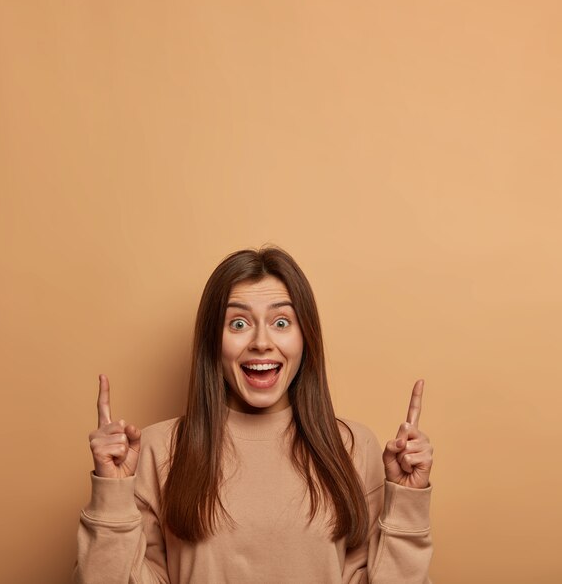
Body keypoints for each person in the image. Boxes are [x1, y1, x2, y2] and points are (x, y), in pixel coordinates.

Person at [73, 246, 434, 583]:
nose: (261, 341)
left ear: (305, 336)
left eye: (281, 322)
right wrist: (113, 496)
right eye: (239, 324)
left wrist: (405, 504)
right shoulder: (158, 448)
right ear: (213, 342)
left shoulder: (353, 447)